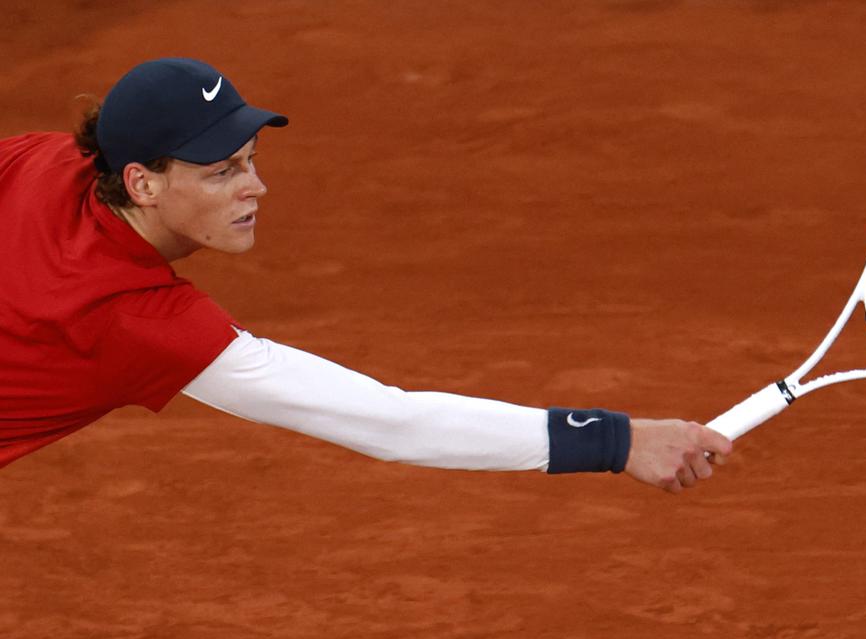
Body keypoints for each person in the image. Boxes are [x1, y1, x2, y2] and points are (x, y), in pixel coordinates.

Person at [0, 58, 732, 492]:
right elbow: (390, 421)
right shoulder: (138, 321)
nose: (256, 189)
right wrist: (617, 441)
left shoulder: (39, 161)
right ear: (144, 183)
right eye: (223, 172)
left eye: (250, 158)